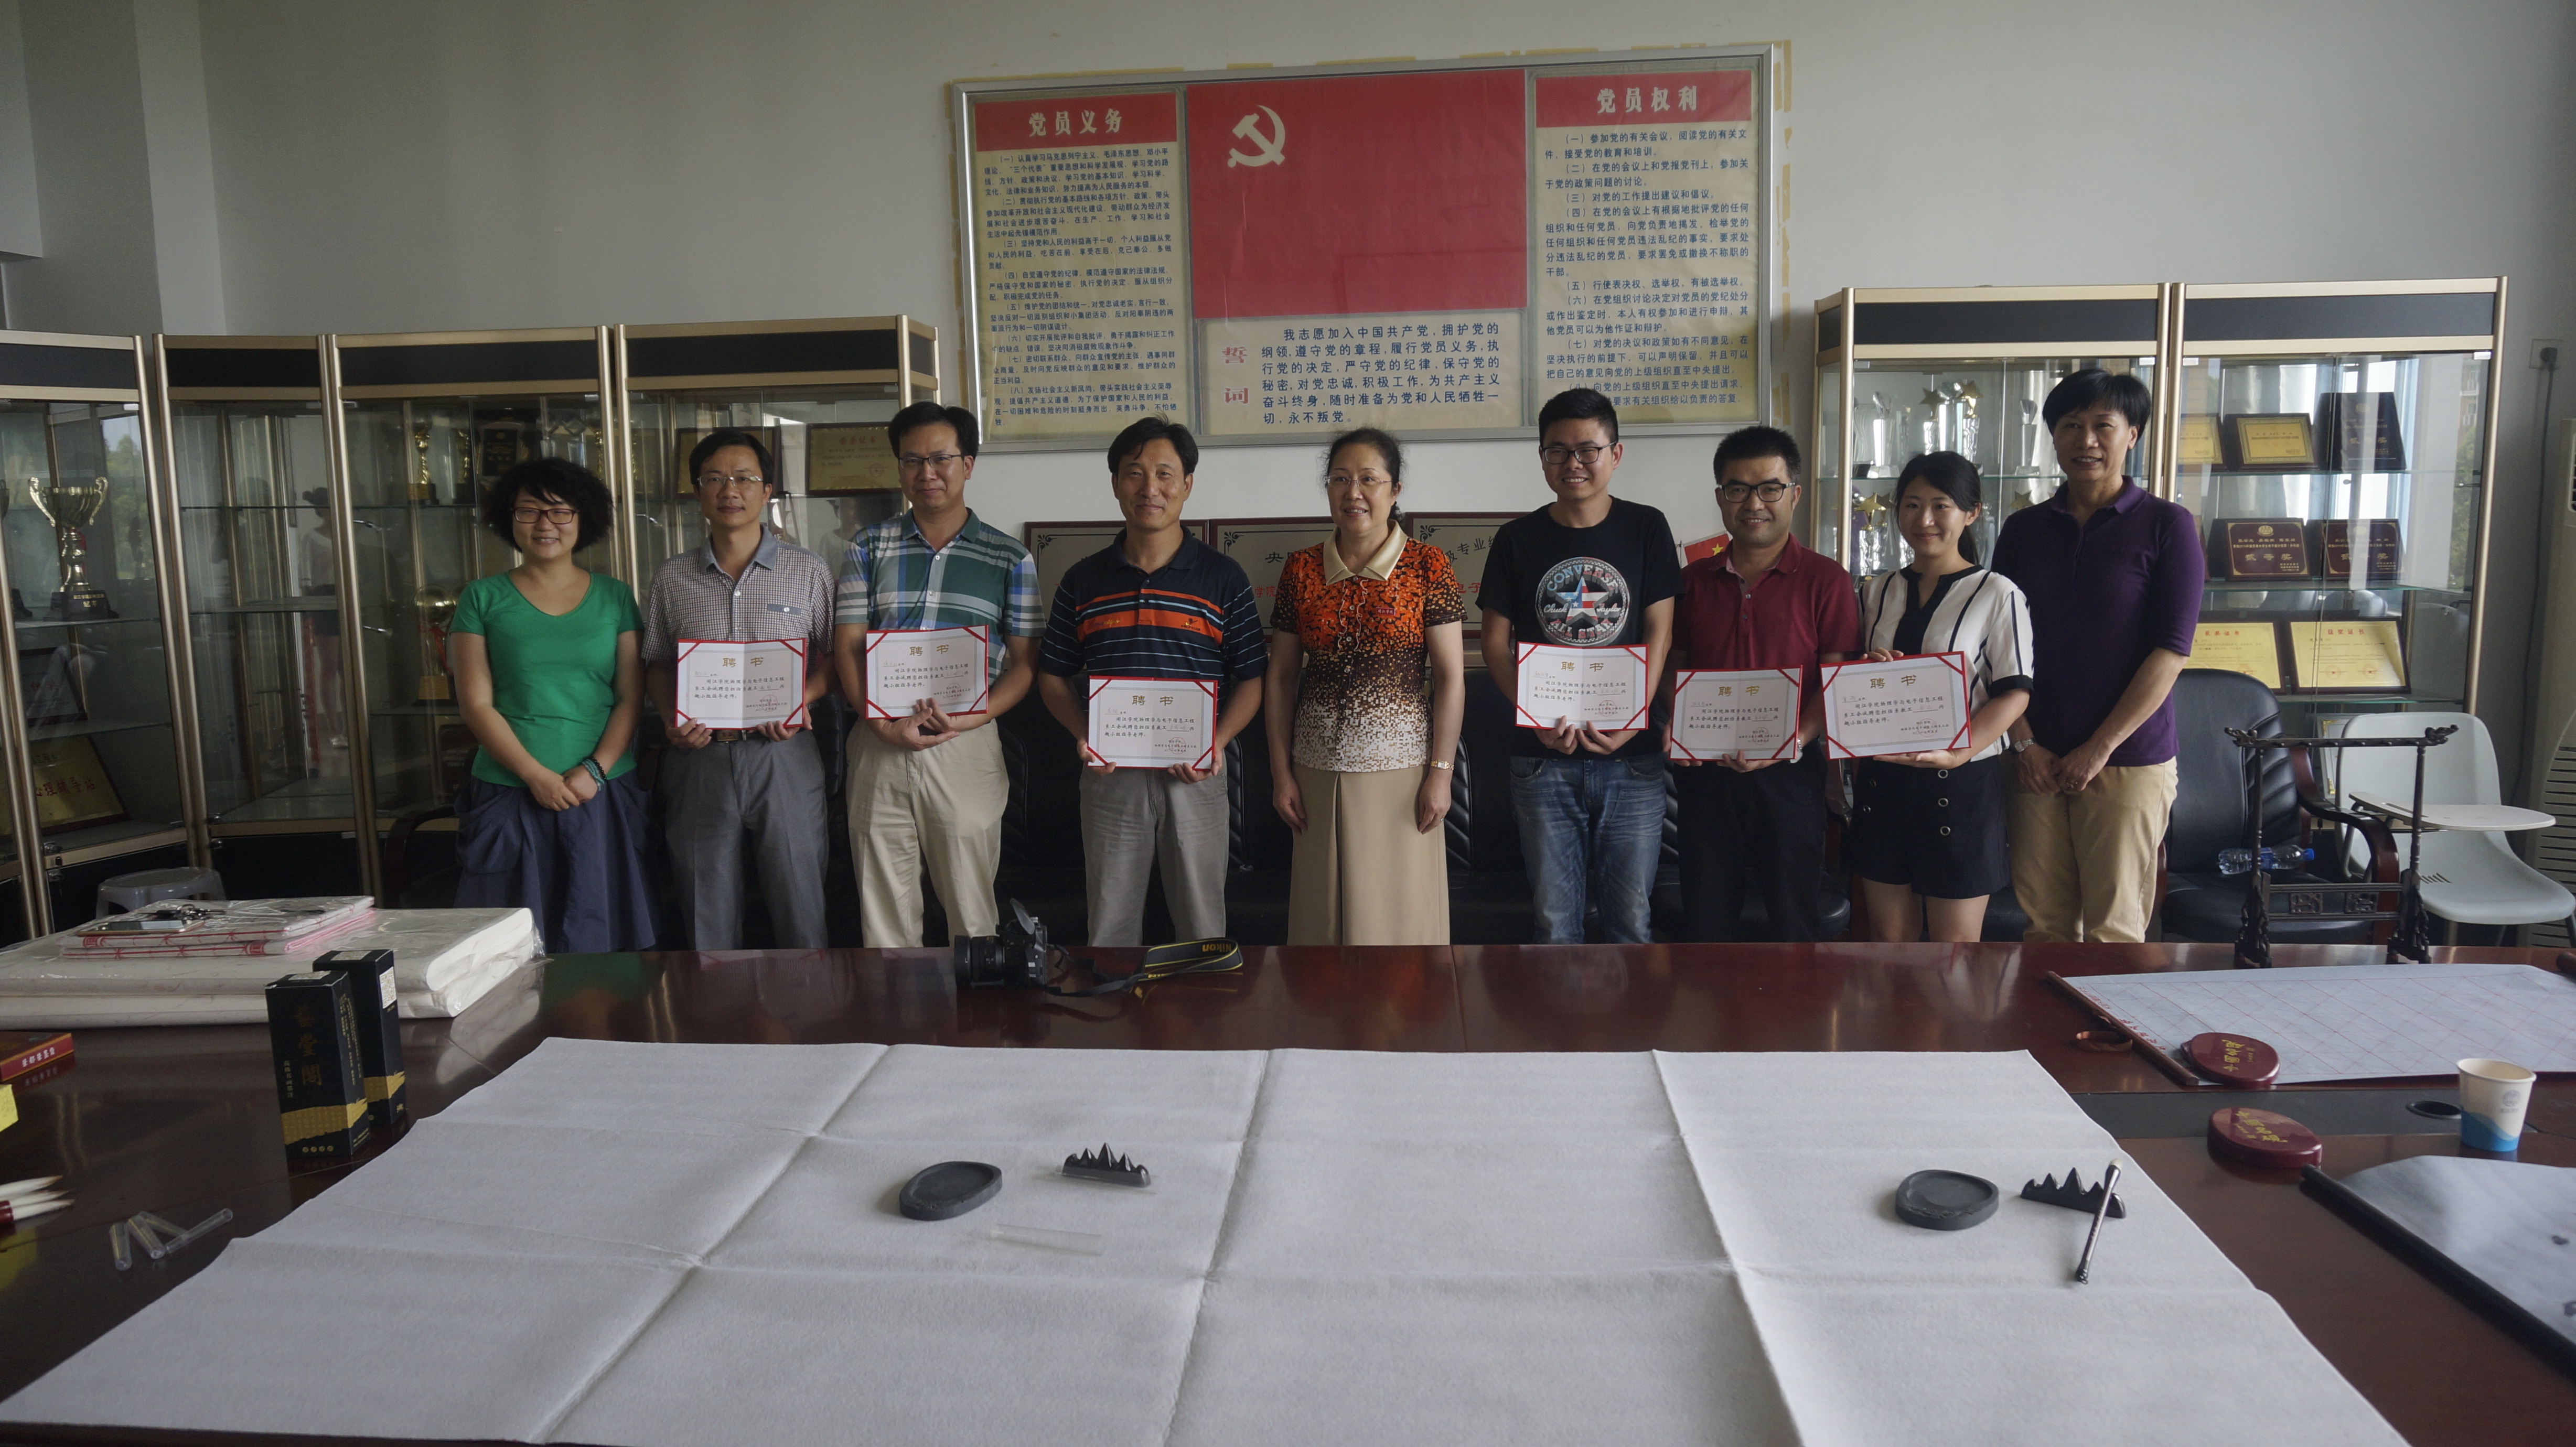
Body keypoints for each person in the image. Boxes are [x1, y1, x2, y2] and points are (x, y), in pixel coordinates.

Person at [1991, 369, 2204, 943]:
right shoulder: (2023, 529)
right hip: (2034, 758)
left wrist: (2099, 748)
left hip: (2126, 758)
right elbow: (1998, 645)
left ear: (2132, 434)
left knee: (2115, 930)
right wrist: (2024, 743)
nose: (2085, 440)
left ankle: (2110, 1014)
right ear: (2053, 437)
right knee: (2045, 926)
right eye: (2070, 426)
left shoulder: (2167, 525)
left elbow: (2170, 652)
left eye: (2102, 426)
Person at [1036, 416, 1265, 946]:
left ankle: (1205, 1003)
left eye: (1165, 473)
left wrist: (1217, 742)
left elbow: (1252, 679)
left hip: (1196, 772)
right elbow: (1052, 676)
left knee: (1202, 923)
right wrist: (1086, 734)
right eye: (1135, 473)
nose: (1150, 488)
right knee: (1110, 924)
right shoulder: (1083, 580)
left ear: (1187, 484)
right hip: (1110, 774)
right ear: (1116, 483)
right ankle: (1113, 1002)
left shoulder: (1223, 578)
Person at [832, 401, 1042, 948]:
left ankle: (974, 1005)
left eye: (941, 459)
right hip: (879, 740)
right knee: (883, 910)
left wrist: (972, 718)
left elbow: (1025, 665)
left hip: (965, 744)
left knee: (971, 910)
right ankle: (893, 1004)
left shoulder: (1010, 558)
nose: (927, 473)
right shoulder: (867, 547)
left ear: (967, 464)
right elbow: (848, 646)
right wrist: (879, 724)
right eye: (912, 460)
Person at [1478, 388, 1679, 944]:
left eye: (1588, 450)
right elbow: (1494, 642)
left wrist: (1635, 718)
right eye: (1558, 451)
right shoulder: (1515, 539)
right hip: (1542, 758)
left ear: (1616, 454)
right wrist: (1535, 716)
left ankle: (1632, 1011)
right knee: (1553, 924)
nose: (1574, 463)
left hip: (1632, 758)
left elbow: (1661, 630)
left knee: (1631, 922)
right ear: (1542, 457)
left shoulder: (1647, 528)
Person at [1263, 427, 1466, 945]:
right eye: (1340, 479)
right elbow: (1281, 677)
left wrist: (1440, 774)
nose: (1353, 493)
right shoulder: (1301, 568)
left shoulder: (1428, 565)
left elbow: (1450, 678)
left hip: (1402, 774)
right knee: (1323, 922)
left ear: (1395, 490)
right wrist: (1281, 774)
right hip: (1315, 771)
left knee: (1397, 923)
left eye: (1368, 480)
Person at [641, 428, 838, 948]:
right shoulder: (672, 578)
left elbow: (836, 659)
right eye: (715, 478)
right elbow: (657, 662)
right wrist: (671, 717)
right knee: (705, 916)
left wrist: (801, 699)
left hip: (784, 754)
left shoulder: (808, 571)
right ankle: (713, 1004)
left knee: (801, 909)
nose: (730, 490)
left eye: (744, 478)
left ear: (767, 490)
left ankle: (809, 1002)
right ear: (698, 491)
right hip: (699, 758)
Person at [449, 457, 656, 952]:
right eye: (530, 511)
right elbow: (476, 704)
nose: (546, 524)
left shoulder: (615, 597)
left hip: (600, 791)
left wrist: (595, 770)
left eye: (561, 511)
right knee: (504, 950)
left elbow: (631, 697)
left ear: (584, 519)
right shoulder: (481, 598)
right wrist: (535, 775)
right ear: (509, 518)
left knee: (601, 943)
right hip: (509, 789)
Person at [1666, 425, 1860, 942]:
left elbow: (1837, 680)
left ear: (1794, 494)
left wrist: (1792, 740)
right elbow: (1673, 667)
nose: (1754, 504)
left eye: (1770, 488)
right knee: (1707, 920)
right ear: (1720, 498)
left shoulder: (1828, 580)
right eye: (1738, 489)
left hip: (1791, 773)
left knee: (1794, 921)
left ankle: (1795, 1000)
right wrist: (1681, 724)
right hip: (1705, 774)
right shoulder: (1690, 582)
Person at [1847, 452, 2035, 943]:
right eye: (1911, 505)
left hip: (1961, 787)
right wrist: (1869, 669)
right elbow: (1855, 686)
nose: (1924, 519)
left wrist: (1959, 751)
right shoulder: (1875, 591)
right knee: (1890, 948)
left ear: (1971, 513)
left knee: (1955, 958)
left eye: (1940, 506)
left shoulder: (1998, 593)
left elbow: (2015, 693)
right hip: (1884, 784)